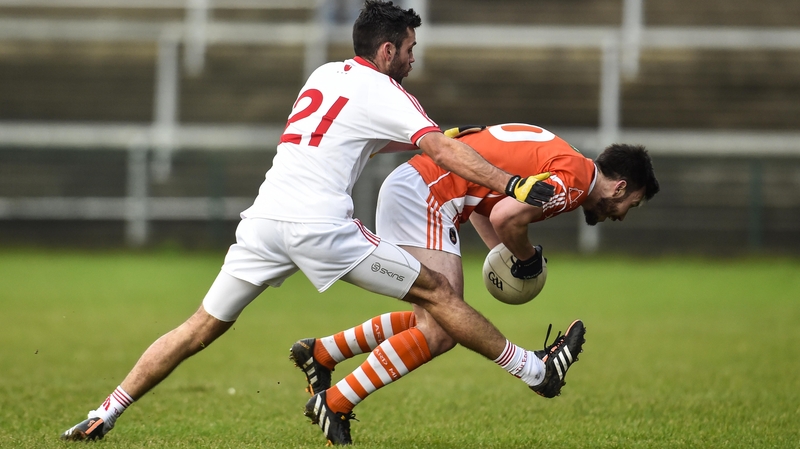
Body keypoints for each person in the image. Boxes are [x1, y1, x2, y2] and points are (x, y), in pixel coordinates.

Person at [60, 2, 585, 446]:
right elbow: (443, 150)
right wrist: (512, 185)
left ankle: (106, 410)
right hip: (320, 227)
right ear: (386, 52)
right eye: (408, 50)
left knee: (197, 329)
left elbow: (353, 138)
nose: (411, 59)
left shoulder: (324, 75)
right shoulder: (387, 91)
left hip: (263, 222)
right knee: (443, 296)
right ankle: (538, 372)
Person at [289, 123, 660, 442]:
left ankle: (323, 353)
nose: (624, 216)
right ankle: (334, 402)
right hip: (426, 195)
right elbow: (505, 214)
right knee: (441, 330)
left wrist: (505, 253)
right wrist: (527, 258)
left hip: (417, 185)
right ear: (620, 187)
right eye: (634, 203)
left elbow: (489, 202)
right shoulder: (576, 183)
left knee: (435, 320)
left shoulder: (569, 160)